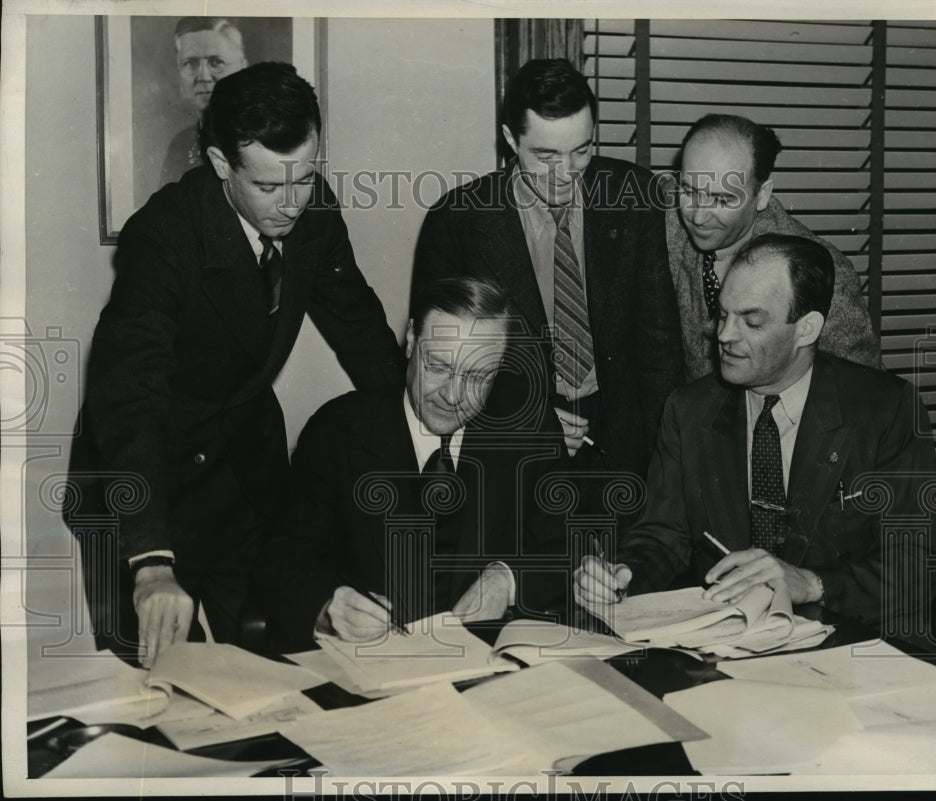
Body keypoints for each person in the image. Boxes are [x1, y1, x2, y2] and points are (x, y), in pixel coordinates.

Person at [65, 62, 404, 666]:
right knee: (160, 687)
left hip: (245, 472)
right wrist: (150, 561)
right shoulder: (164, 237)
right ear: (221, 165)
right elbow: (130, 397)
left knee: (271, 669)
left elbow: (364, 335)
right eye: (270, 187)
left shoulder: (312, 210)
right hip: (144, 484)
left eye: (305, 179)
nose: (293, 204)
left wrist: (431, 420)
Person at [575, 233, 936, 637]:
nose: (725, 335)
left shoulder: (885, 410)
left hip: (850, 647)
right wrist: (624, 573)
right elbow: (663, 535)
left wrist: (809, 582)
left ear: (806, 329)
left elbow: (915, 567)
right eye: (723, 314)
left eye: (751, 321)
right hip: (728, 645)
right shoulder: (689, 410)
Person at [413, 58, 683, 481]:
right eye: (546, 155)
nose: (566, 173)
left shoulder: (635, 198)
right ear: (510, 139)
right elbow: (440, 359)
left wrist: (671, 455)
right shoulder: (458, 220)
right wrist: (530, 419)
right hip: (512, 439)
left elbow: (658, 344)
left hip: (622, 434)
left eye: (581, 150)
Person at [263, 277, 569, 650]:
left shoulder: (529, 430)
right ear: (411, 340)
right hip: (376, 673)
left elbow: (566, 547)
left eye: (477, 376)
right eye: (439, 366)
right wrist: (326, 607)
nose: (453, 396)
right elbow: (285, 560)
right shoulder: (339, 432)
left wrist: (508, 580)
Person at [667, 114, 881, 381]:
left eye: (721, 200)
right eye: (689, 191)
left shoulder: (819, 273)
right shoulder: (670, 219)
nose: (698, 217)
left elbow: (862, 387)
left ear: (763, 194)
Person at [159, 17, 248, 186]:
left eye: (216, 62)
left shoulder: (264, 138)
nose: (203, 77)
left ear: (243, 70)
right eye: (190, 63)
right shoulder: (179, 145)